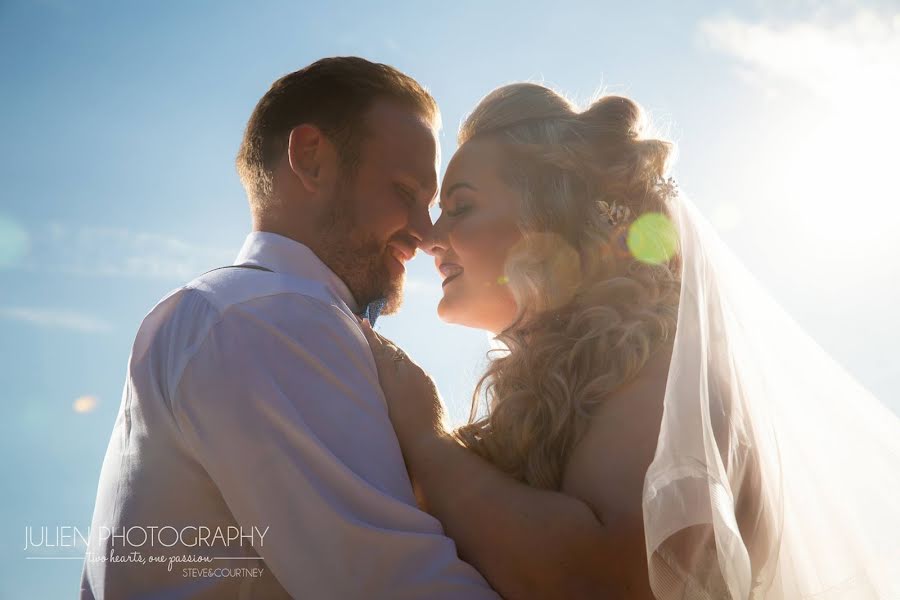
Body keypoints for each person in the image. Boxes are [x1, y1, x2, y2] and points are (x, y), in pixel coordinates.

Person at [362, 82, 900, 599]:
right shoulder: (574, 386)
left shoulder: (666, 376)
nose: (430, 238)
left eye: (460, 206)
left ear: (551, 218)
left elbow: (604, 584)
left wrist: (426, 441)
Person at [80, 57, 499, 599]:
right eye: (404, 192)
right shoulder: (271, 316)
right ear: (311, 159)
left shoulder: (238, 312)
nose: (423, 232)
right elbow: (394, 585)